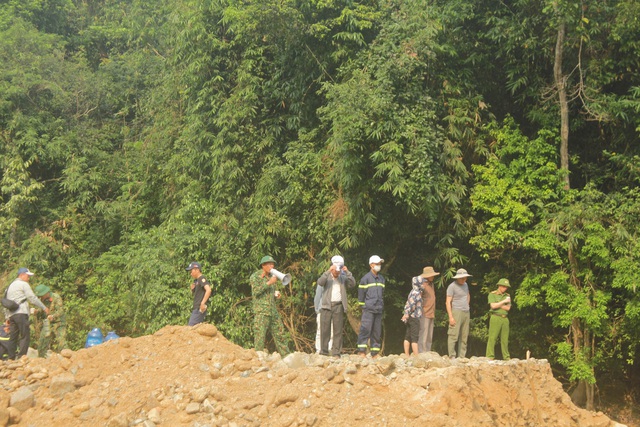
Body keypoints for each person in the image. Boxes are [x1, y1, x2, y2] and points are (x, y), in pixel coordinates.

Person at [4, 268, 49, 359]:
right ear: (22, 275)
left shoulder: (9, 287)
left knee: (13, 336)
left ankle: (11, 358)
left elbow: (6, 303)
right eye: (28, 276)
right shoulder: (23, 284)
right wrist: (44, 307)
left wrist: (7, 317)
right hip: (21, 313)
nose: (29, 278)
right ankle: (22, 357)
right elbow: (32, 298)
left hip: (12, 315)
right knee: (25, 335)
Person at [316, 255, 355, 357]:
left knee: (338, 330)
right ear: (332, 268)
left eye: (339, 270)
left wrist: (347, 272)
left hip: (338, 306)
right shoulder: (327, 277)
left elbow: (352, 284)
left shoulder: (342, 278)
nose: (337, 272)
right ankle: (324, 351)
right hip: (326, 306)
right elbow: (320, 282)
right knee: (325, 330)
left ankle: (336, 352)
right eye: (336, 270)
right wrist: (328, 271)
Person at [250, 256, 289, 355]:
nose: (272, 266)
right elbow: (256, 292)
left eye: (273, 264)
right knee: (260, 336)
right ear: (263, 265)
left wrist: (275, 293)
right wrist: (269, 283)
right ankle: (258, 358)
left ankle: (286, 356)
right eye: (269, 264)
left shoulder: (270, 277)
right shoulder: (255, 276)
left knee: (280, 333)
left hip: (272, 310)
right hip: (261, 311)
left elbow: (267, 292)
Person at [357, 255, 385, 358]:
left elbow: (382, 294)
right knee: (365, 330)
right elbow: (361, 295)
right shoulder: (365, 279)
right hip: (368, 309)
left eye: (379, 264)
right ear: (371, 265)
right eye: (377, 264)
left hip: (378, 309)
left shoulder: (381, 279)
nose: (379, 266)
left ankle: (375, 353)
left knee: (376, 332)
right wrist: (364, 306)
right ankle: (362, 352)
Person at [33, 284, 67, 357]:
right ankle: (41, 359)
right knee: (42, 342)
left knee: (61, 342)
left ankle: (66, 357)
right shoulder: (42, 300)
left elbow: (61, 311)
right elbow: (42, 310)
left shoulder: (56, 297)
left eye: (41, 295)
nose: (40, 297)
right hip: (47, 324)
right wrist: (37, 312)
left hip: (59, 322)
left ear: (45, 293)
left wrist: (53, 316)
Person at [446, 268, 472, 358]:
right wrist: (451, 317)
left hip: (466, 311)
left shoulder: (466, 285)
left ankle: (462, 356)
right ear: (457, 278)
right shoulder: (452, 286)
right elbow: (448, 302)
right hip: (456, 311)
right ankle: (452, 355)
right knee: (453, 334)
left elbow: (467, 295)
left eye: (465, 278)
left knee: (464, 335)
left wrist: (467, 305)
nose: (464, 280)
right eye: (462, 278)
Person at [486, 278, 512, 360]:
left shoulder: (507, 296)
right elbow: (492, 306)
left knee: (505, 339)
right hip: (495, 317)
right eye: (504, 286)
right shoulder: (492, 294)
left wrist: (498, 305)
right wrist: (503, 302)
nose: (505, 288)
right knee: (492, 337)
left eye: (506, 287)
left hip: (505, 318)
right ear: (499, 286)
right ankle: (490, 356)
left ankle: (506, 357)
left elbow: (508, 308)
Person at [416, 266, 439, 353]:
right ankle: (421, 352)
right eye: (431, 275)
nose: (433, 276)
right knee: (423, 334)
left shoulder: (431, 284)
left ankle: (428, 352)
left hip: (431, 312)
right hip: (424, 312)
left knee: (429, 335)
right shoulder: (422, 285)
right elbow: (418, 299)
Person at [401, 275, 423, 356]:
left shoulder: (412, 291)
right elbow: (412, 305)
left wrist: (406, 314)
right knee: (414, 338)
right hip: (414, 317)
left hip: (409, 317)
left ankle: (407, 355)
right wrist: (407, 313)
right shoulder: (417, 293)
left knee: (408, 336)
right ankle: (417, 357)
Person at [185, 262, 212, 326]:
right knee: (194, 327)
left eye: (191, 271)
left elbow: (208, 290)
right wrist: (193, 289)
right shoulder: (196, 281)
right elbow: (199, 293)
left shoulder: (201, 278)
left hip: (199, 308)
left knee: (191, 326)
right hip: (196, 308)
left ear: (197, 270)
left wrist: (202, 303)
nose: (191, 274)